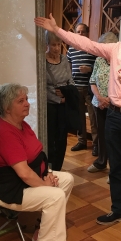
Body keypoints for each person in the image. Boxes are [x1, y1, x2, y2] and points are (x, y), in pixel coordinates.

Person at [34, 8, 121, 225]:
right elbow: (86, 44)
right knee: (115, 166)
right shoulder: (116, 50)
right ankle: (118, 210)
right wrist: (57, 29)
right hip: (114, 116)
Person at [0, 83, 74, 241]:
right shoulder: (5, 133)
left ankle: (42, 230)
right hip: (8, 188)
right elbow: (24, 173)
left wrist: (47, 173)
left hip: (22, 180)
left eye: (26, 99)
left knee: (67, 179)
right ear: (7, 108)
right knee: (55, 195)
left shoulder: (21, 124)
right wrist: (45, 184)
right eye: (21, 101)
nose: (27, 103)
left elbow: (38, 154)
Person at [87, 32, 118, 173]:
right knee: (101, 134)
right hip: (98, 103)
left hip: (115, 105)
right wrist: (99, 97)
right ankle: (101, 162)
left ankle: (114, 169)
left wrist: (109, 100)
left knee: (113, 137)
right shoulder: (99, 60)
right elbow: (92, 80)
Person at [45, 30, 75, 171]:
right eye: (53, 45)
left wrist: (66, 95)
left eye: (59, 44)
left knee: (62, 138)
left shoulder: (64, 60)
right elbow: (42, 88)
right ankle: (49, 167)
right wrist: (57, 99)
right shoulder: (42, 61)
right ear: (47, 44)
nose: (56, 48)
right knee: (50, 139)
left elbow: (70, 81)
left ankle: (58, 168)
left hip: (65, 106)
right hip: (49, 107)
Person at [67, 23, 98, 156]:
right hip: (76, 87)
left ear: (87, 33)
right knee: (79, 116)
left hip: (91, 88)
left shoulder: (92, 47)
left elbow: (99, 67)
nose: (80, 34)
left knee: (93, 117)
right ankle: (82, 141)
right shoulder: (71, 49)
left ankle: (96, 144)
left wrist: (89, 69)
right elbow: (68, 66)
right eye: (78, 32)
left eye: (83, 32)